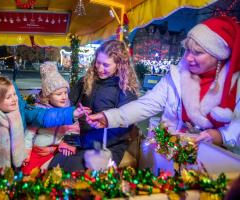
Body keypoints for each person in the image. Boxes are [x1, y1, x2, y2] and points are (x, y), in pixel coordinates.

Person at [87, 16, 240, 155]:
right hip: (172, 152)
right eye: (187, 50)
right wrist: (108, 117)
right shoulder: (176, 76)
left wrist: (221, 136)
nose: (188, 57)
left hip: (216, 160)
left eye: (198, 52)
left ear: (219, 54)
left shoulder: (236, 85)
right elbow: (146, 105)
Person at [0, 75, 90, 177]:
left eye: (14, 94)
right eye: (8, 97)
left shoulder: (20, 108)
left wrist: (71, 113)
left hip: (20, 160)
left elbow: (40, 115)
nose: (15, 99)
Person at [49, 40, 139, 172]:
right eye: (98, 62)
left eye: (106, 65)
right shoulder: (86, 80)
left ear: (119, 65)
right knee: (55, 164)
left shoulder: (125, 90)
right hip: (79, 137)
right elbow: (68, 104)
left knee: (73, 169)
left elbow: (122, 130)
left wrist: (82, 141)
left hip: (108, 145)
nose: (100, 68)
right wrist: (73, 112)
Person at [22, 62, 80, 174]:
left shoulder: (69, 111)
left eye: (65, 93)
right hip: (37, 152)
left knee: (53, 174)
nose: (64, 97)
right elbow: (29, 133)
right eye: (59, 94)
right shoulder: (40, 111)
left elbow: (74, 130)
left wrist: (69, 144)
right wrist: (26, 151)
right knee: (28, 174)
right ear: (48, 96)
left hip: (55, 152)